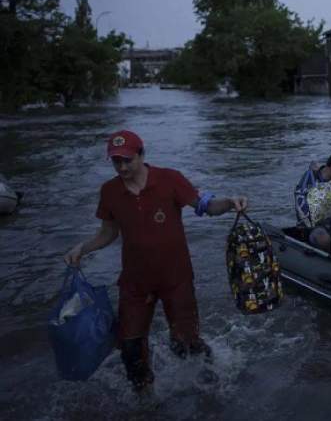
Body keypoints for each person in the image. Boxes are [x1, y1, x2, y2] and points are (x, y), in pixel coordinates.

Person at [63, 130, 247, 394]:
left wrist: (230, 202)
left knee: (186, 344)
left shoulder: (169, 179)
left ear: (141, 155)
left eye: (128, 160)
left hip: (176, 278)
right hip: (135, 283)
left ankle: (214, 377)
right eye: (116, 162)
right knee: (130, 349)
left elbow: (205, 206)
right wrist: (83, 247)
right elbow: (108, 233)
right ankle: (147, 403)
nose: (123, 167)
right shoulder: (109, 191)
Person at [294, 151, 331, 251]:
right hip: (313, 227)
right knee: (323, 239)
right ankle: (328, 260)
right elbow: (302, 211)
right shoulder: (311, 180)